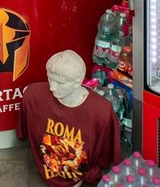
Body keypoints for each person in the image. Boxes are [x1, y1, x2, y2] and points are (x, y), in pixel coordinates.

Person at [17, 50, 121, 186]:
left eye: (60, 83)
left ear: (77, 82)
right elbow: (23, 130)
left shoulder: (101, 112)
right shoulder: (33, 96)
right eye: (50, 79)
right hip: (45, 171)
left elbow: (108, 154)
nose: (52, 87)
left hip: (77, 176)